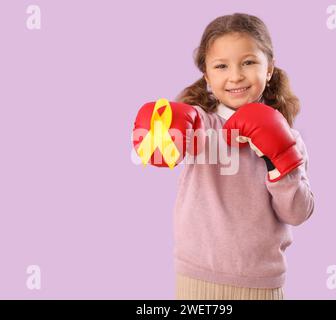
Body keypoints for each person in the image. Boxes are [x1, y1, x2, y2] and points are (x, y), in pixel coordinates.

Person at [133, 12, 315, 300]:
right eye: (221, 66)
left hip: (263, 281)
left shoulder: (289, 138)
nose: (235, 76)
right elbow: (152, 150)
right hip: (196, 275)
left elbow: (297, 213)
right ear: (206, 75)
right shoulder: (199, 125)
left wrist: (277, 159)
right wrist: (161, 127)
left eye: (248, 62)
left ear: (269, 69)